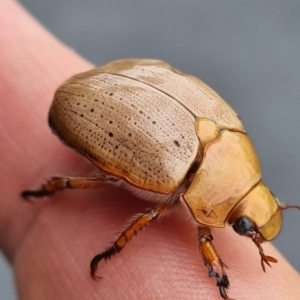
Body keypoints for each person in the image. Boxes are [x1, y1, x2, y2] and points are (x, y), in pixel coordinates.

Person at [1, 1, 300, 299]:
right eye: (242, 225)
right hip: (90, 106)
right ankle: (59, 185)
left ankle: (57, 186)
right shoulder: (175, 172)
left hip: (130, 78)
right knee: (110, 181)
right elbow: (200, 236)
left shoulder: (230, 124)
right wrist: (216, 272)